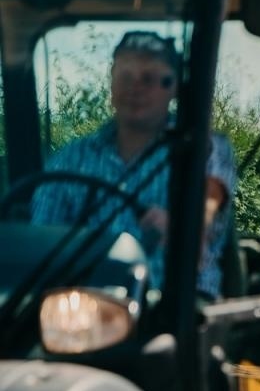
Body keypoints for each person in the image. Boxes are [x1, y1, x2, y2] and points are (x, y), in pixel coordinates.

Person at [30, 31, 238, 298]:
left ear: (173, 87)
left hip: (179, 309)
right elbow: (43, 247)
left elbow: (209, 201)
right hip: (87, 310)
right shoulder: (70, 160)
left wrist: (184, 225)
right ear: (112, 84)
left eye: (149, 78)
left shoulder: (203, 148)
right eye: (125, 77)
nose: (135, 87)